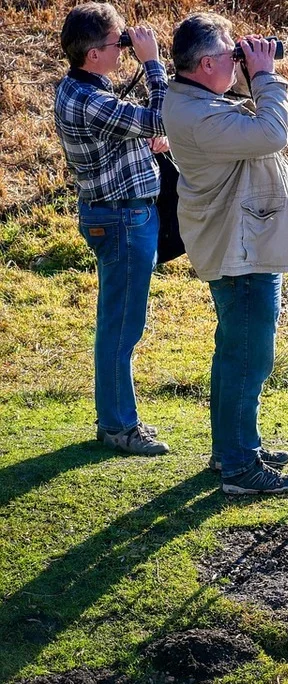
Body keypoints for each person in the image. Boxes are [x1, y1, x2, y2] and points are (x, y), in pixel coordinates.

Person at [162, 13, 288, 495]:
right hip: (241, 253)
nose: (237, 60)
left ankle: (232, 450)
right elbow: (271, 133)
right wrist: (263, 75)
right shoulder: (201, 116)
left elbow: (254, 117)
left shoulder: (195, 98)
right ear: (205, 64)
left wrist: (246, 69)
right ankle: (241, 469)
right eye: (229, 54)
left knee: (235, 353)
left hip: (241, 244)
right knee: (248, 357)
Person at [55, 2, 170, 455]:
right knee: (122, 328)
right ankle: (120, 427)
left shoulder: (73, 88)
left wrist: (144, 140)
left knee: (117, 324)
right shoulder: (90, 99)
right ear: (93, 55)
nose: (123, 49)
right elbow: (158, 116)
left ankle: (117, 418)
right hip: (122, 220)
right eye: (115, 43)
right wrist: (153, 63)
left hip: (114, 215)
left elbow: (125, 130)